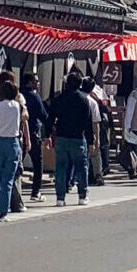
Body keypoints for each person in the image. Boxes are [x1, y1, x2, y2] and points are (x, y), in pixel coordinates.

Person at [0, 72, 29, 222]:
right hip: (13, 142)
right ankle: (3, 210)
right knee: (8, 178)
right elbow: (25, 117)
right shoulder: (18, 106)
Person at [49, 73, 93, 207]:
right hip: (78, 137)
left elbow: (50, 118)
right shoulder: (83, 100)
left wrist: (50, 134)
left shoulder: (59, 99)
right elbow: (88, 123)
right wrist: (91, 141)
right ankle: (82, 196)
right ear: (80, 84)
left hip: (62, 137)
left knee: (61, 167)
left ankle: (60, 198)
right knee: (81, 167)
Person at [20, 73, 49, 203]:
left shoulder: (19, 96)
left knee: (17, 164)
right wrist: (50, 128)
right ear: (29, 82)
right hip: (33, 133)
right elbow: (43, 115)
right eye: (35, 81)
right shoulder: (34, 97)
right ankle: (35, 192)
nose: (38, 83)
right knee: (38, 164)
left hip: (19, 134)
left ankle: (16, 192)